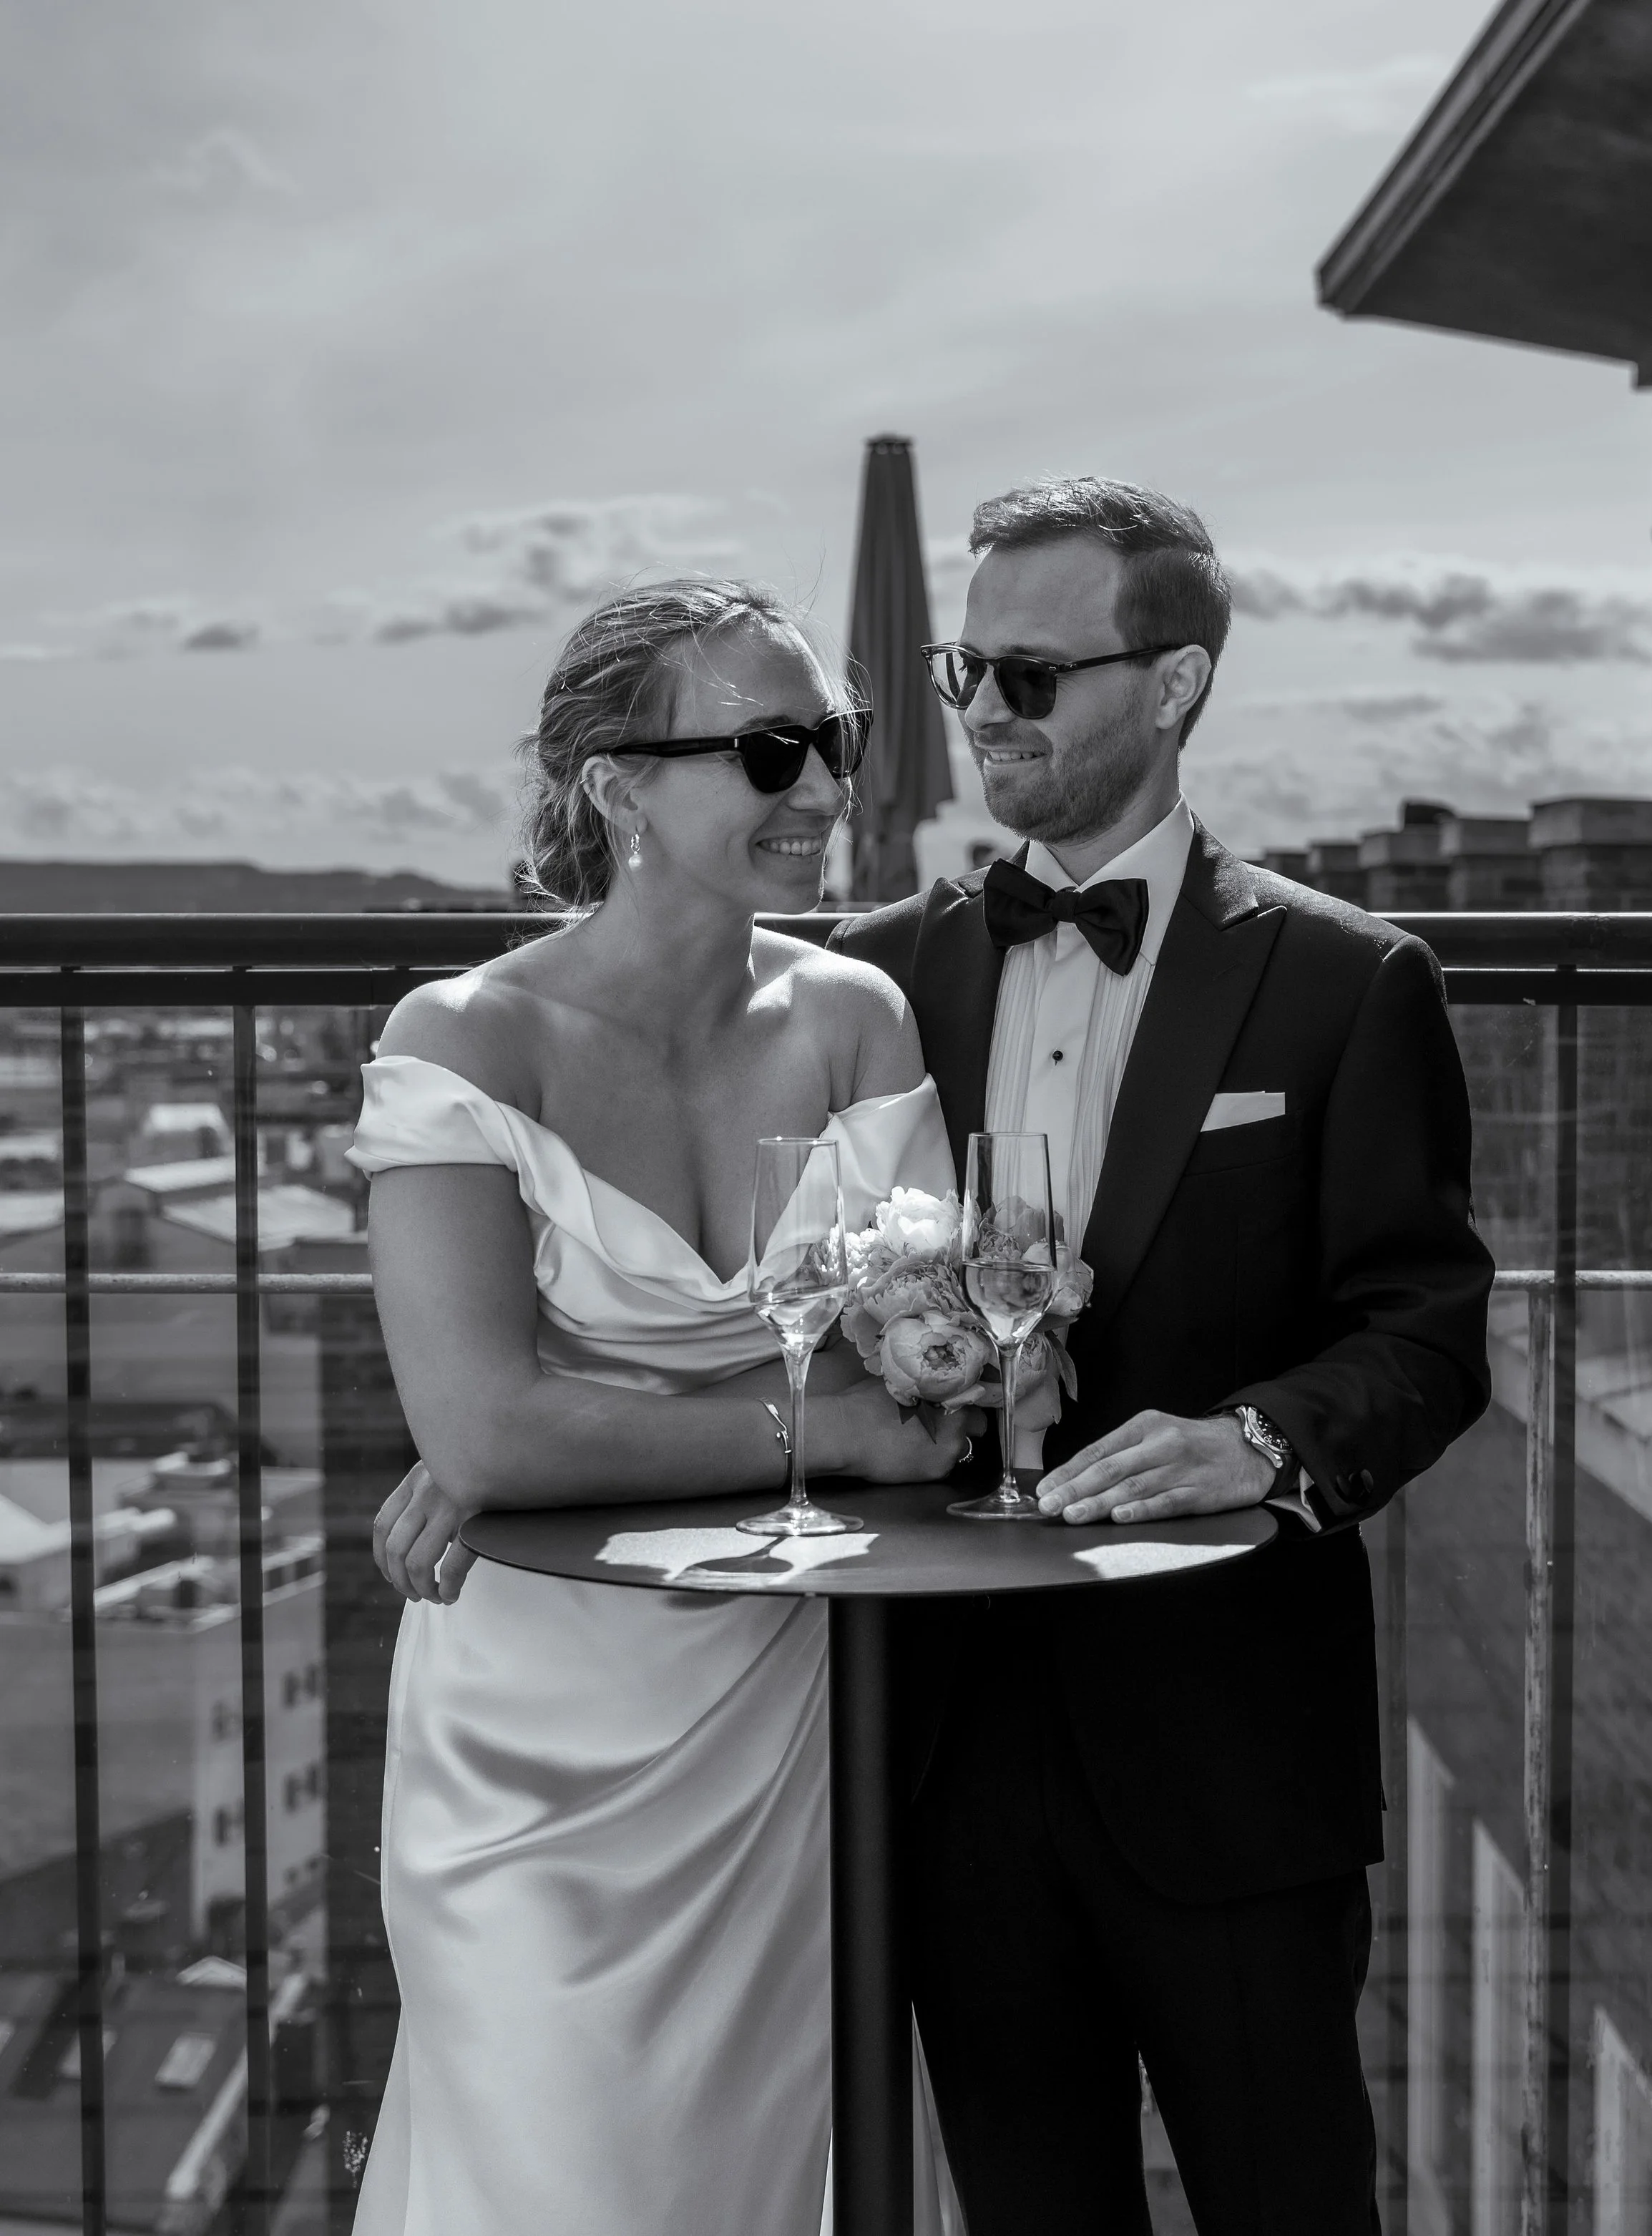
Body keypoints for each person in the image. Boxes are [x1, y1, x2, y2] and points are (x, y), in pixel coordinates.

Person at [830, 477, 1495, 2236]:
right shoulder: (872, 982)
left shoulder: (1345, 982)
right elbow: (755, 1269)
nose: (981, 710)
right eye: (963, 667)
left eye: (1029, 675)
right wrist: (500, 1422)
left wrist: (1259, 1444)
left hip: (1228, 1749)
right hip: (948, 1759)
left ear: (1176, 684)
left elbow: (1423, 1328)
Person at [346, 579, 969, 2236]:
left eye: (830, 743)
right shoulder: (468, 1039)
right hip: (536, 1745)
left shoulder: (855, 1014)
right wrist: (818, 1430)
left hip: (789, 1706)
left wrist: (566, 1424)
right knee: (556, 2167)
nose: (825, 792)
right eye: (771, 752)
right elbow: (491, 1431)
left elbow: (943, 1361)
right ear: (616, 782)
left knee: (789, 2168)